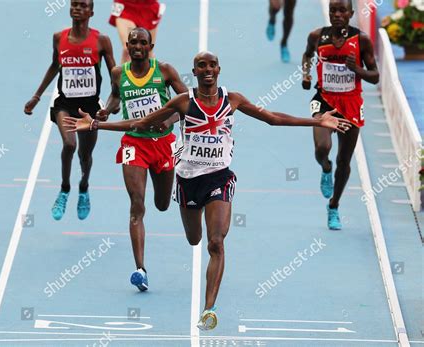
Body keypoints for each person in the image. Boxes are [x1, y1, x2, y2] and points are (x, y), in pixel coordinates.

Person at [64, 51, 352, 330]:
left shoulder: (233, 99)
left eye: (212, 64)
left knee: (215, 242)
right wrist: (96, 124)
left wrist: (317, 120)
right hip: (189, 181)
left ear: (218, 69)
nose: (207, 69)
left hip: (219, 178)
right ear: (195, 71)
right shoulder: (182, 103)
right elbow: (140, 123)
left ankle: (209, 309)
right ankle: (193, 247)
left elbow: (272, 118)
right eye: (201, 65)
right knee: (194, 239)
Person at [96, 27, 187, 292]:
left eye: (142, 42)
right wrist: (105, 110)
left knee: (161, 204)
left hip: (163, 144)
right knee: (137, 205)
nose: (137, 46)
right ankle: (140, 269)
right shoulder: (118, 73)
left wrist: (168, 119)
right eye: (133, 42)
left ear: (150, 46)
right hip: (134, 143)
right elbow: (115, 95)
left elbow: (188, 104)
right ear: (127, 44)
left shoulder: (165, 71)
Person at [24, 0, 116, 221]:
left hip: (91, 107)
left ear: (91, 12)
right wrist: (37, 96)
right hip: (64, 104)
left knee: (85, 155)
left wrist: (115, 102)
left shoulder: (101, 41)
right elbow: (55, 65)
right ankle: (65, 189)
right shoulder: (59, 37)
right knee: (69, 144)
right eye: (74, 4)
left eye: (83, 6)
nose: (77, 8)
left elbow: (116, 73)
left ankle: (83, 188)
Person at [302, 0, 379, 230]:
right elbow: (307, 56)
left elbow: (375, 76)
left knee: (344, 161)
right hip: (324, 100)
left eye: (341, 11)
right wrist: (306, 76)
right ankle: (325, 168)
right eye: (333, 10)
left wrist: (357, 69)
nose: (336, 14)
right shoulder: (317, 36)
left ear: (350, 13)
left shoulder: (361, 40)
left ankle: (334, 205)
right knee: (322, 148)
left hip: (351, 104)